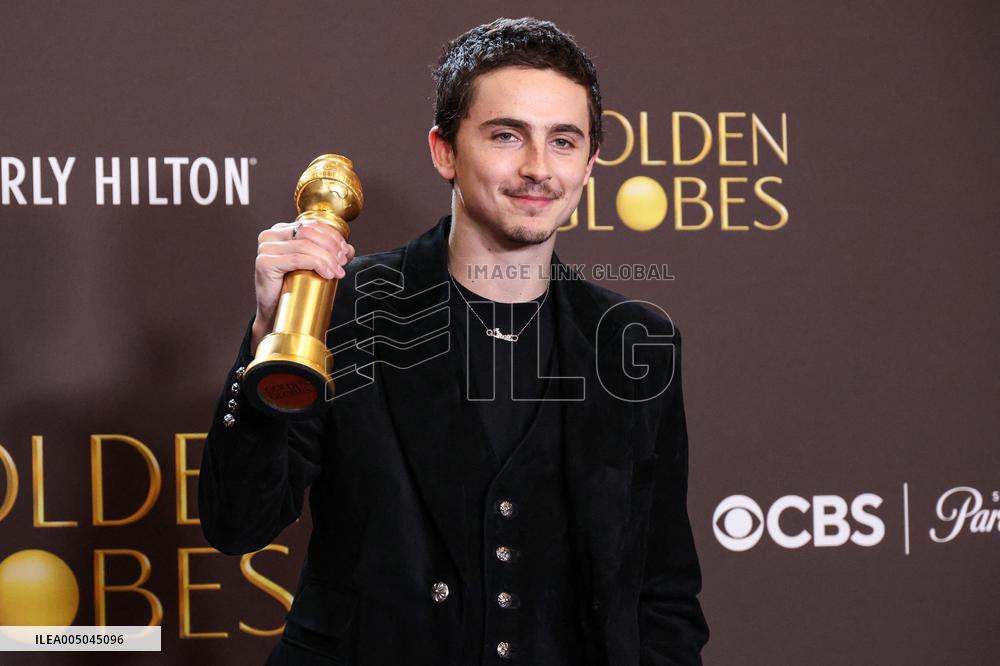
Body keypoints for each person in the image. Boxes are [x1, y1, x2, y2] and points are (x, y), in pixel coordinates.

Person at [199, 16, 709, 665]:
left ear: (589, 164)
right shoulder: (342, 307)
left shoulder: (635, 343)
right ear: (445, 151)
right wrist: (270, 336)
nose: (536, 169)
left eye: (563, 141)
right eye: (506, 135)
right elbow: (238, 521)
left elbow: (663, 593)